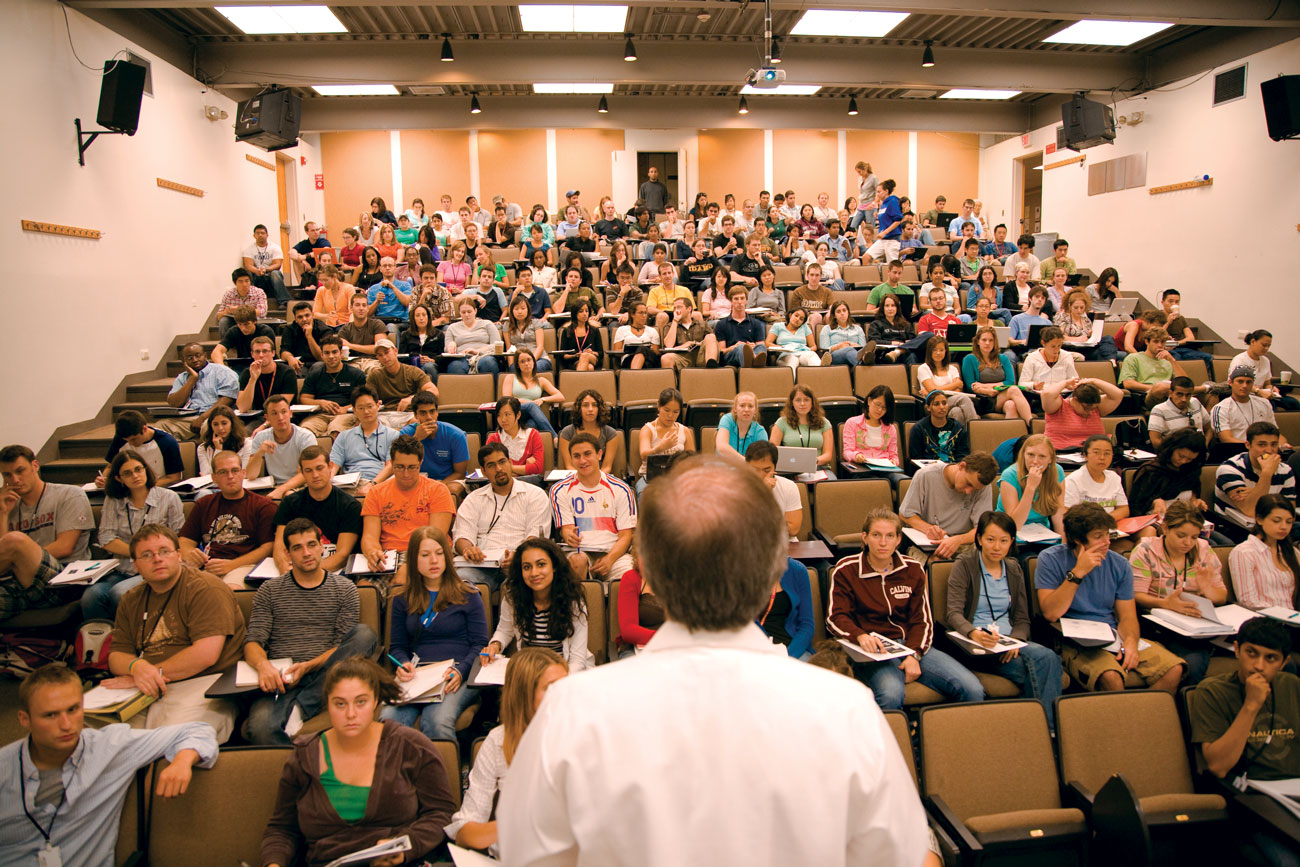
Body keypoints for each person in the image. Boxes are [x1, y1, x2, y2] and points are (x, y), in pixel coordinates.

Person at [500, 457, 928, 865]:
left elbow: (526, 855)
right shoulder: (848, 711)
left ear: (652, 573)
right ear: (769, 575)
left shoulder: (569, 713)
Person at [1, 663, 218, 867]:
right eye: (50, 715)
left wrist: (182, 761)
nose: (66, 725)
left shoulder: (110, 747)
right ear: (24, 719)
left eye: (73, 710)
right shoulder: (5, 767)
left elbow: (197, 730)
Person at [260, 657, 455, 867]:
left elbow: (441, 814)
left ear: (375, 701)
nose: (350, 714)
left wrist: (408, 845)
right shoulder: (304, 755)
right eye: (340, 704)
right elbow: (282, 829)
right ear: (327, 704)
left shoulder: (410, 746)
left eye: (360, 702)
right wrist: (273, 863)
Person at [827, 508, 985, 710]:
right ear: (865, 538)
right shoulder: (846, 569)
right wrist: (860, 636)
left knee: (971, 688)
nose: (883, 543)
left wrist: (914, 655)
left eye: (890, 536)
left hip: (911, 645)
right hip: (871, 649)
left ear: (898, 539)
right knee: (891, 692)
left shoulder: (913, 569)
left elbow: (922, 621)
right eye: (876, 535)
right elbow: (835, 617)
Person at [243, 518, 378, 745]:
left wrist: (307, 666)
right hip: (281, 678)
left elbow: (340, 648)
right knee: (259, 728)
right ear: (287, 553)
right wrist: (263, 666)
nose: (306, 553)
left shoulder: (345, 589)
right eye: (298, 548)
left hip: (325, 674)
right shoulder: (270, 590)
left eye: (311, 545)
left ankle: (302, 706)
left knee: (365, 635)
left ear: (321, 547)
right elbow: (253, 641)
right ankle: (300, 770)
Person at [107, 523, 246, 741]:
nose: (157, 559)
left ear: (179, 555)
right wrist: (136, 666)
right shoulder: (131, 599)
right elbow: (116, 655)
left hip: (205, 682)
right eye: (146, 555)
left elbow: (206, 655)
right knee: (99, 738)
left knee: (170, 742)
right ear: (135, 566)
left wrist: (148, 673)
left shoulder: (206, 589)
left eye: (164, 551)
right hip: (147, 685)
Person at [1036, 503, 1186, 692]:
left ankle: (1144, 718)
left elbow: (1128, 616)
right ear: (1078, 540)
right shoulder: (1050, 559)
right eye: (1098, 537)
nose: (1107, 542)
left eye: (1108, 534)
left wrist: (1130, 643)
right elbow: (1051, 613)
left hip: (1112, 635)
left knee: (1174, 669)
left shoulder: (1119, 564)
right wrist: (1078, 573)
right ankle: (1120, 718)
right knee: (1111, 677)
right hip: (1075, 641)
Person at [1191, 618, 1300, 867]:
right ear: (1237, 649)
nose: (1258, 666)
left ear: (1284, 663)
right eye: (1252, 653)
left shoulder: (1292, 686)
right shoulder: (1212, 691)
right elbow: (1218, 765)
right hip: (1253, 802)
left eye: (1270, 658)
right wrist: (1251, 706)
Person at [946, 511, 1065, 728]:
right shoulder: (965, 564)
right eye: (990, 540)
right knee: (1047, 666)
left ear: (1012, 542)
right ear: (979, 539)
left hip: (1010, 644)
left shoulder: (1013, 568)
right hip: (977, 644)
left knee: (1046, 661)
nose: (996, 547)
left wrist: (1017, 640)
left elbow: (1022, 618)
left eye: (1003, 541)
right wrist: (974, 633)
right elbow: (953, 613)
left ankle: (1029, 728)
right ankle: (1044, 732)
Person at [446, 648, 566, 855]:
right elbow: (465, 831)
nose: (563, 695)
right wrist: (514, 825)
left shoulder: (582, 735)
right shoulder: (497, 741)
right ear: (524, 694)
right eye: (551, 688)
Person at [381, 526, 488, 741]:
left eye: (439, 553)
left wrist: (460, 671)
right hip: (417, 677)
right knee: (388, 720)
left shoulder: (468, 594)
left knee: (436, 720)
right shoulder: (402, 599)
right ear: (414, 559)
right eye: (425, 555)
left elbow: (480, 644)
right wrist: (402, 664)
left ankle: (441, 773)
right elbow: (397, 647)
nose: (434, 561)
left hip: (457, 675)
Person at [1129, 501, 1227, 684]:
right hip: (1155, 624)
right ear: (1165, 528)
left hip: (1195, 625)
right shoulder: (1146, 550)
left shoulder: (1203, 549)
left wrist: (1207, 588)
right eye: (1181, 535)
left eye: (1194, 537)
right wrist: (1166, 604)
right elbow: (1136, 596)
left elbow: (1221, 596)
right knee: (1189, 663)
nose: (1188, 543)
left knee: (1196, 661)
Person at [84, 450, 185, 622]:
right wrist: (138, 553)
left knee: (120, 593)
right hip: (122, 569)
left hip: (154, 566)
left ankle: (129, 639)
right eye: (127, 473)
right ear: (118, 478)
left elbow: (177, 537)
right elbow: (106, 538)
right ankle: (104, 640)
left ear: (146, 469)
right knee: (91, 596)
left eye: (139, 469)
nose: (135, 476)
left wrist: (145, 555)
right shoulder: (114, 499)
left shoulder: (168, 497)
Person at [482, 537, 594, 672]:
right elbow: (505, 631)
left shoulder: (573, 601)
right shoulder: (514, 597)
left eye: (541, 564)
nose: (534, 573)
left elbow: (577, 661)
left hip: (565, 673)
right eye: (527, 567)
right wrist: (495, 645)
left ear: (554, 567)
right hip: (530, 670)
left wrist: (553, 684)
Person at [359, 436, 456, 577]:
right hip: (389, 557)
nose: (406, 474)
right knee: (364, 587)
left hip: (426, 554)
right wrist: (373, 552)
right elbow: (369, 536)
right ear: (391, 464)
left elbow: (435, 538)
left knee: (401, 582)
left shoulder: (438, 490)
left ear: (420, 463)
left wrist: (407, 566)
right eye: (399, 467)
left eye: (411, 467)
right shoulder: (376, 492)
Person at [179, 450, 276, 587]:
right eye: (223, 472)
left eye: (235, 470)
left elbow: (268, 547)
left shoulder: (263, 506)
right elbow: (185, 540)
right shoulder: (204, 504)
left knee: (228, 590)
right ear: (214, 478)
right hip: (207, 565)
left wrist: (231, 565)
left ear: (243, 473)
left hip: (242, 566)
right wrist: (189, 553)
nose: (230, 476)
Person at [551, 432, 636, 584]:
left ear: (599, 454)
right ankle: (580, 608)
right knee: (576, 562)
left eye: (587, 454)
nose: (582, 460)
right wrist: (569, 535)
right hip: (580, 551)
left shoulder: (621, 489)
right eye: (576, 456)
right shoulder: (560, 490)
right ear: (571, 459)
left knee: (629, 575)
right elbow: (567, 529)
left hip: (614, 552)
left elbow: (625, 536)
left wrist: (609, 560)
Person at [1, 444, 95, 573]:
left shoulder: (70, 494)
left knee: (15, 540)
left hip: (64, 571)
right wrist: (3, 512)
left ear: (35, 466)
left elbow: (64, 547)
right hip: (20, 575)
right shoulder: (8, 506)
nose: (15, 480)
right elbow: (3, 554)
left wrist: (18, 558)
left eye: (20, 471)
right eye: (7, 475)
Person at [272, 446, 362, 575]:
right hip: (294, 570)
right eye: (308, 470)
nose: (315, 475)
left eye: (319, 468)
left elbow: (341, 556)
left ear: (330, 466)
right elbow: (279, 547)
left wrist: (307, 573)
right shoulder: (289, 503)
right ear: (301, 472)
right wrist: (285, 569)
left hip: (333, 573)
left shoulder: (349, 506)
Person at [899, 453, 999, 561]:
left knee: (989, 555)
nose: (968, 491)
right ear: (962, 466)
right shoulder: (926, 475)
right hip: (929, 544)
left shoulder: (984, 487)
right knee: (938, 561)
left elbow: (982, 528)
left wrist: (959, 540)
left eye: (975, 489)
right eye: (968, 484)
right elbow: (905, 514)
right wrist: (929, 529)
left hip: (964, 543)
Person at [1214, 422, 1295, 543]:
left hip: (1274, 526)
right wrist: (1266, 474)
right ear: (1248, 445)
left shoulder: (1285, 470)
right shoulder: (1229, 469)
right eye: (1262, 445)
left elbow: (1289, 511)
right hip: (1235, 529)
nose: (1269, 450)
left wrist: (1253, 493)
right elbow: (1251, 510)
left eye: (1274, 444)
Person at [153, 342, 240, 441]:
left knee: (209, 427)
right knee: (160, 427)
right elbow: (174, 403)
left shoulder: (223, 372)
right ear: (184, 361)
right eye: (190, 358)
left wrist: (202, 418)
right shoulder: (182, 377)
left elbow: (227, 400)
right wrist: (193, 378)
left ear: (205, 356)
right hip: (187, 418)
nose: (195, 360)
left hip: (213, 417)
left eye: (198, 356)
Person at [1229, 495, 1300, 611]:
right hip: (1267, 621)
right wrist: (1286, 615)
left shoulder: (1292, 552)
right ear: (1259, 519)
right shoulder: (1244, 552)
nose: (1284, 527)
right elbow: (1249, 601)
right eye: (1276, 521)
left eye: (1289, 522)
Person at [1128, 428, 1212, 521]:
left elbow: (1193, 497)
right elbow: (1137, 505)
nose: (1183, 461)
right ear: (1171, 449)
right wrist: (1154, 501)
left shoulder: (1191, 470)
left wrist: (1196, 502)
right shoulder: (1151, 471)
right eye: (1181, 456)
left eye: (1190, 459)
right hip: (1155, 521)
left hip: (1185, 520)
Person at [247, 395, 316, 500]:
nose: (280, 417)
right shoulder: (261, 437)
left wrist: (281, 490)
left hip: (300, 485)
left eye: (284, 412)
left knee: (289, 496)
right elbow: (251, 475)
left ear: (290, 413)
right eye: (274, 413)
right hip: (272, 485)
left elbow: (307, 473)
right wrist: (260, 453)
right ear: (267, 418)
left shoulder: (305, 437)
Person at [997, 433, 1066, 537]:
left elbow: (1058, 513)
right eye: (1030, 455)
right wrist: (1030, 487)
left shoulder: (1057, 471)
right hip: (1009, 532)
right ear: (1023, 454)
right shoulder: (1009, 475)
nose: (1035, 461)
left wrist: (1063, 544)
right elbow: (1015, 524)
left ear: (1050, 459)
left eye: (1042, 456)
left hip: (1041, 532)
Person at [961, 326, 1034, 424]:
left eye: (991, 340)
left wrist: (984, 385)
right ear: (978, 341)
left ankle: (1012, 438)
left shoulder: (1003, 358)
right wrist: (986, 390)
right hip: (983, 398)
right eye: (984, 340)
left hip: (1001, 396)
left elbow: (1010, 381)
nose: (987, 343)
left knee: (1011, 405)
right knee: (1014, 390)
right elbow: (971, 386)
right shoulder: (969, 359)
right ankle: (1031, 424)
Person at [96, 410, 184, 489]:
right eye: (127, 440)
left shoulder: (167, 442)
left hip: (157, 488)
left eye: (134, 439)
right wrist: (104, 480)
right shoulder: (120, 438)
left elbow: (174, 478)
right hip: (127, 489)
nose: (130, 443)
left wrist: (142, 486)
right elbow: (110, 466)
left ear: (144, 429)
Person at [329, 386, 398, 482]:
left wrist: (373, 484)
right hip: (350, 484)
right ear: (354, 410)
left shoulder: (393, 435)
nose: (366, 412)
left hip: (379, 484)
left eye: (370, 406)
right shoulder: (344, 437)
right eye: (361, 408)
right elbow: (333, 465)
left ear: (378, 405)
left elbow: (390, 466)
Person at [1212, 366, 1283, 456]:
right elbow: (1226, 439)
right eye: (1240, 381)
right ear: (1230, 383)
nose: (1244, 386)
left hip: (1265, 451)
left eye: (1248, 382)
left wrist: (1283, 445)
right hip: (1236, 452)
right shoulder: (1221, 408)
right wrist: (1255, 448)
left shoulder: (1264, 403)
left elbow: (1276, 433)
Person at [842, 386, 906, 486]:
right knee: (878, 484)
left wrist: (893, 461)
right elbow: (847, 452)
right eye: (877, 404)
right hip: (862, 469)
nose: (879, 410)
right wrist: (856, 456)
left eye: (884, 408)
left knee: (904, 481)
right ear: (869, 401)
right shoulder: (852, 423)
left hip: (885, 470)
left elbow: (894, 455)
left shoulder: (890, 428)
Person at [636, 389, 695, 493]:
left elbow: (692, 459)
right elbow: (643, 455)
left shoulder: (684, 431)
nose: (670, 415)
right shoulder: (648, 429)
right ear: (659, 406)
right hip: (651, 479)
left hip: (678, 479)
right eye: (667, 410)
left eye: (675, 412)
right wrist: (661, 447)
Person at [1041, 378, 1124, 451]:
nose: (1090, 412)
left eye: (1092, 409)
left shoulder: (1094, 407)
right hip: (1061, 453)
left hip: (1092, 456)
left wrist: (1093, 381)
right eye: (1086, 408)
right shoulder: (1059, 406)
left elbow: (1118, 394)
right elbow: (1047, 394)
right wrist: (1065, 383)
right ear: (1075, 400)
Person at [1230, 328, 1300, 411]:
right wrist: (1258, 391)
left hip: (1263, 393)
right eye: (1264, 345)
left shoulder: (1266, 361)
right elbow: (1238, 383)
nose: (1266, 348)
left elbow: (1267, 383)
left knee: (1293, 403)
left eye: (1268, 346)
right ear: (1253, 342)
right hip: (1248, 394)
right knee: (1270, 405)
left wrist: (1271, 389)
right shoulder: (1240, 360)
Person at [745, 441, 803, 540]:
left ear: (775, 467)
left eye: (766, 470)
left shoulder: (789, 486)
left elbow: (793, 530)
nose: (760, 475)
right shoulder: (736, 488)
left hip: (785, 545)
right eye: (754, 470)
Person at [1064, 435, 1130, 520]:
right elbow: (1068, 513)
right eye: (1096, 452)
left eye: (1107, 453)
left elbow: (1123, 509)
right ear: (1085, 455)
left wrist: (1106, 520)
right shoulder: (1073, 480)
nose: (1102, 457)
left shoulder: (1114, 477)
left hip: (1111, 524)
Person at [916, 336, 979, 426]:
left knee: (957, 411)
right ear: (929, 351)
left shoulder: (952, 368)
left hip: (951, 402)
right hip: (934, 404)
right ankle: (975, 429)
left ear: (946, 351)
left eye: (941, 350)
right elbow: (933, 391)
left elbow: (958, 391)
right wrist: (954, 384)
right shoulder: (923, 368)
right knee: (964, 399)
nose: (938, 353)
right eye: (934, 350)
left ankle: (959, 438)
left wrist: (937, 390)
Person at [770, 385, 835, 472]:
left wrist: (811, 462)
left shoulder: (824, 423)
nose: (802, 404)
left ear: (812, 402)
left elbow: (828, 455)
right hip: (790, 468)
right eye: (798, 400)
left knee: (830, 484)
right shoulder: (781, 422)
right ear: (792, 403)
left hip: (819, 468)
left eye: (806, 400)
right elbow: (772, 452)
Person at [1119, 327, 1185, 409]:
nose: (1160, 345)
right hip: (1146, 395)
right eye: (1156, 341)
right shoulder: (1133, 358)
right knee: (1163, 388)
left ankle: (1203, 390)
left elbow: (1185, 382)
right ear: (1147, 341)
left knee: (1202, 396)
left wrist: (1172, 361)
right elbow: (1128, 383)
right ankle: (1202, 388)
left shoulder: (1168, 360)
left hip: (1171, 394)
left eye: (1163, 342)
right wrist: (1155, 388)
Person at [559, 391, 622, 474]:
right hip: (576, 478)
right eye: (585, 405)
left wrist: (594, 480)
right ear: (579, 409)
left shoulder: (610, 433)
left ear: (599, 409)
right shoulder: (567, 433)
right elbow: (569, 466)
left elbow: (607, 467)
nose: (590, 409)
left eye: (594, 405)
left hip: (601, 478)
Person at [233, 336, 298, 413]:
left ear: (273, 353)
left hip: (281, 416)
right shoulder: (247, 373)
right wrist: (252, 380)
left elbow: (280, 407)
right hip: (257, 416)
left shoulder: (287, 372)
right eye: (257, 351)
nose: (261, 355)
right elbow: (243, 408)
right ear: (252, 354)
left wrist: (264, 425)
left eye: (265, 351)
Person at [488, 397, 546, 480]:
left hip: (529, 484)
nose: (503, 419)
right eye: (499, 415)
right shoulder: (494, 439)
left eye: (507, 414)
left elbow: (538, 468)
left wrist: (507, 468)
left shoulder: (533, 435)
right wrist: (526, 467)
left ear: (518, 414)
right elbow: (490, 468)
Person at [444, 298, 503, 376]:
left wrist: (477, 351)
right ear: (459, 313)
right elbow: (446, 349)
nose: (466, 315)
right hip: (461, 357)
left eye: (469, 312)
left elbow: (497, 345)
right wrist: (450, 345)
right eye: (463, 312)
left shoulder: (487, 324)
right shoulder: (452, 328)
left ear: (475, 311)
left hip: (484, 355)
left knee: (488, 363)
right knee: (455, 366)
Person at [908, 390, 970, 463]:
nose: (942, 407)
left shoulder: (958, 428)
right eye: (936, 404)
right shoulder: (919, 428)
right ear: (928, 408)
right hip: (928, 469)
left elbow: (963, 454)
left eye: (944, 403)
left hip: (953, 469)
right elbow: (916, 457)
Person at [714, 287, 769, 368]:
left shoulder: (756, 323)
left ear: (746, 300)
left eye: (742, 298)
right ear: (731, 301)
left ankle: (753, 358)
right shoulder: (721, 324)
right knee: (742, 347)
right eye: (736, 299)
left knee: (761, 347)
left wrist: (752, 346)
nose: (739, 302)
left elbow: (760, 345)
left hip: (751, 352)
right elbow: (721, 351)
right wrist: (734, 347)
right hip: (731, 355)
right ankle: (754, 361)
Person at [659, 295, 719, 369]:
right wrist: (675, 321)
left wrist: (694, 343)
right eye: (674, 308)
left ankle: (711, 366)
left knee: (711, 336)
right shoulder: (670, 326)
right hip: (682, 358)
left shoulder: (702, 324)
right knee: (666, 358)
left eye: (679, 307)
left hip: (700, 356)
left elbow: (711, 343)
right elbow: (668, 346)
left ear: (689, 309)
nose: (676, 310)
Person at [1149, 376, 1211, 447]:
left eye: (1188, 395)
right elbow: (1156, 441)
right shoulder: (1159, 410)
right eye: (1179, 394)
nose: (1184, 399)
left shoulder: (1195, 402)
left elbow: (1209, 429)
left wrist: (1204, 446)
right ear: (1170, 393)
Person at [336, 292, 388, 375]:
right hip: (352, 362)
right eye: (357, 305)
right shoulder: (345, 329)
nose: (361, 308)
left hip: (374, 361)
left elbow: (380, 348)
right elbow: (338, 350)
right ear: (351, 308)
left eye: (364, 305)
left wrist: (350, 346)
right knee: (347, 374)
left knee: (376, 372)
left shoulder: (377, 324)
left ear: (367, 308)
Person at [1018, 327, 1080, 391]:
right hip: (1039, 395)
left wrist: (1071, 385)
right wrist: (1033, 385)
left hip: (1062, 394)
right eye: (1053, 346)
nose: (1056, 349)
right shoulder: (1032, 358)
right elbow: (1022, 384)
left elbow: (1074, 379)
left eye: (1059, 345)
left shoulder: (1067, 356)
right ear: (1043, 343)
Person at [196, 405, 252, 475]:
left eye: (224, 423)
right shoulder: (202, 448)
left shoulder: (247, 444)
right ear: (211, 426)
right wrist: (218, 450)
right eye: (215, 424)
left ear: (232, 424)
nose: (220, 428)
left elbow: (244, 473)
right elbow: (207, 475)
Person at [280, 301, 331, 373]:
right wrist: (290, 358)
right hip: (298, 364)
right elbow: (284, 350)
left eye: (307, 315)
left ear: (313, 315)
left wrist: (309, 336)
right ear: (295, 319)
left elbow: (321, 357)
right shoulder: (289, 329)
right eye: (300, 317)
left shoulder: (324, 330)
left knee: (317, 367)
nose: (304, 319)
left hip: (319, 364)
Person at [242, 223, 289, 302]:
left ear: (267, 235)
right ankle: (250, 301)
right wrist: (257, 271)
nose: (260, 235)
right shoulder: (249, 249)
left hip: (270, 273)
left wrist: (266, 270)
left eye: (262, 233)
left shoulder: (275, 247)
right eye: (257, 233)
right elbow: (248, 265)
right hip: (256, 274)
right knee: (248, 273)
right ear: (254, 236)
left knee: (276, 273)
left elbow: (277, 264)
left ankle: (284, 301)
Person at [819, 299, 873, 366]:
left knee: (854, 350)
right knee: (848, 350)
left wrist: (857, 346)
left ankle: (861, 362)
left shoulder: (858, 329)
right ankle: (861, 363)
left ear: (848, 313)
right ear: (834, 315)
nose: (842, 313)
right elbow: (824, 349)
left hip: (855, 352)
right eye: (838, 311)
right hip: (835, 356)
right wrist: (838, 347)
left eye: (844, 310)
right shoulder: (827, 329)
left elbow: (863, 347)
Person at [868, 293, 917, 364]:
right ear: (883, 308)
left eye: (893, 305)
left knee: (912, 355)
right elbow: (873, 341)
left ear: (897, 308)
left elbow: (912, 340)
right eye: (887, 306)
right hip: (884, 353)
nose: (890, 309)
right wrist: (892, 343)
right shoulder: (876, 324)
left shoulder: (906, 324)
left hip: (903, 352)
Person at [218, 268, 269, 334]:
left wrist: (239, 309)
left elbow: (262, 312)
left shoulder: (259, 292)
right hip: (236, 321)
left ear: (250, 281)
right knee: (224, 321)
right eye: (240, 281)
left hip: (253, 321)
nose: (244, 284)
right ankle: (226, 343)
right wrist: (227, 311)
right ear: (235, 283)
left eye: (247, 281)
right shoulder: (229, 294)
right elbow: (219, 315)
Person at [613, 302, 662, 369]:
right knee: (644, 363)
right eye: (641, 313)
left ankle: (634, 375)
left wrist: (643, 350)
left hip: (649, 358)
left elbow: (656, 352)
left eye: (645, 313)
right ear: (632, 314)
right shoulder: (622, 330)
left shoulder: (652, 331)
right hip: (629, 358)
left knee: (643, 349)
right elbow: (616, 351)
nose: (644, 316)